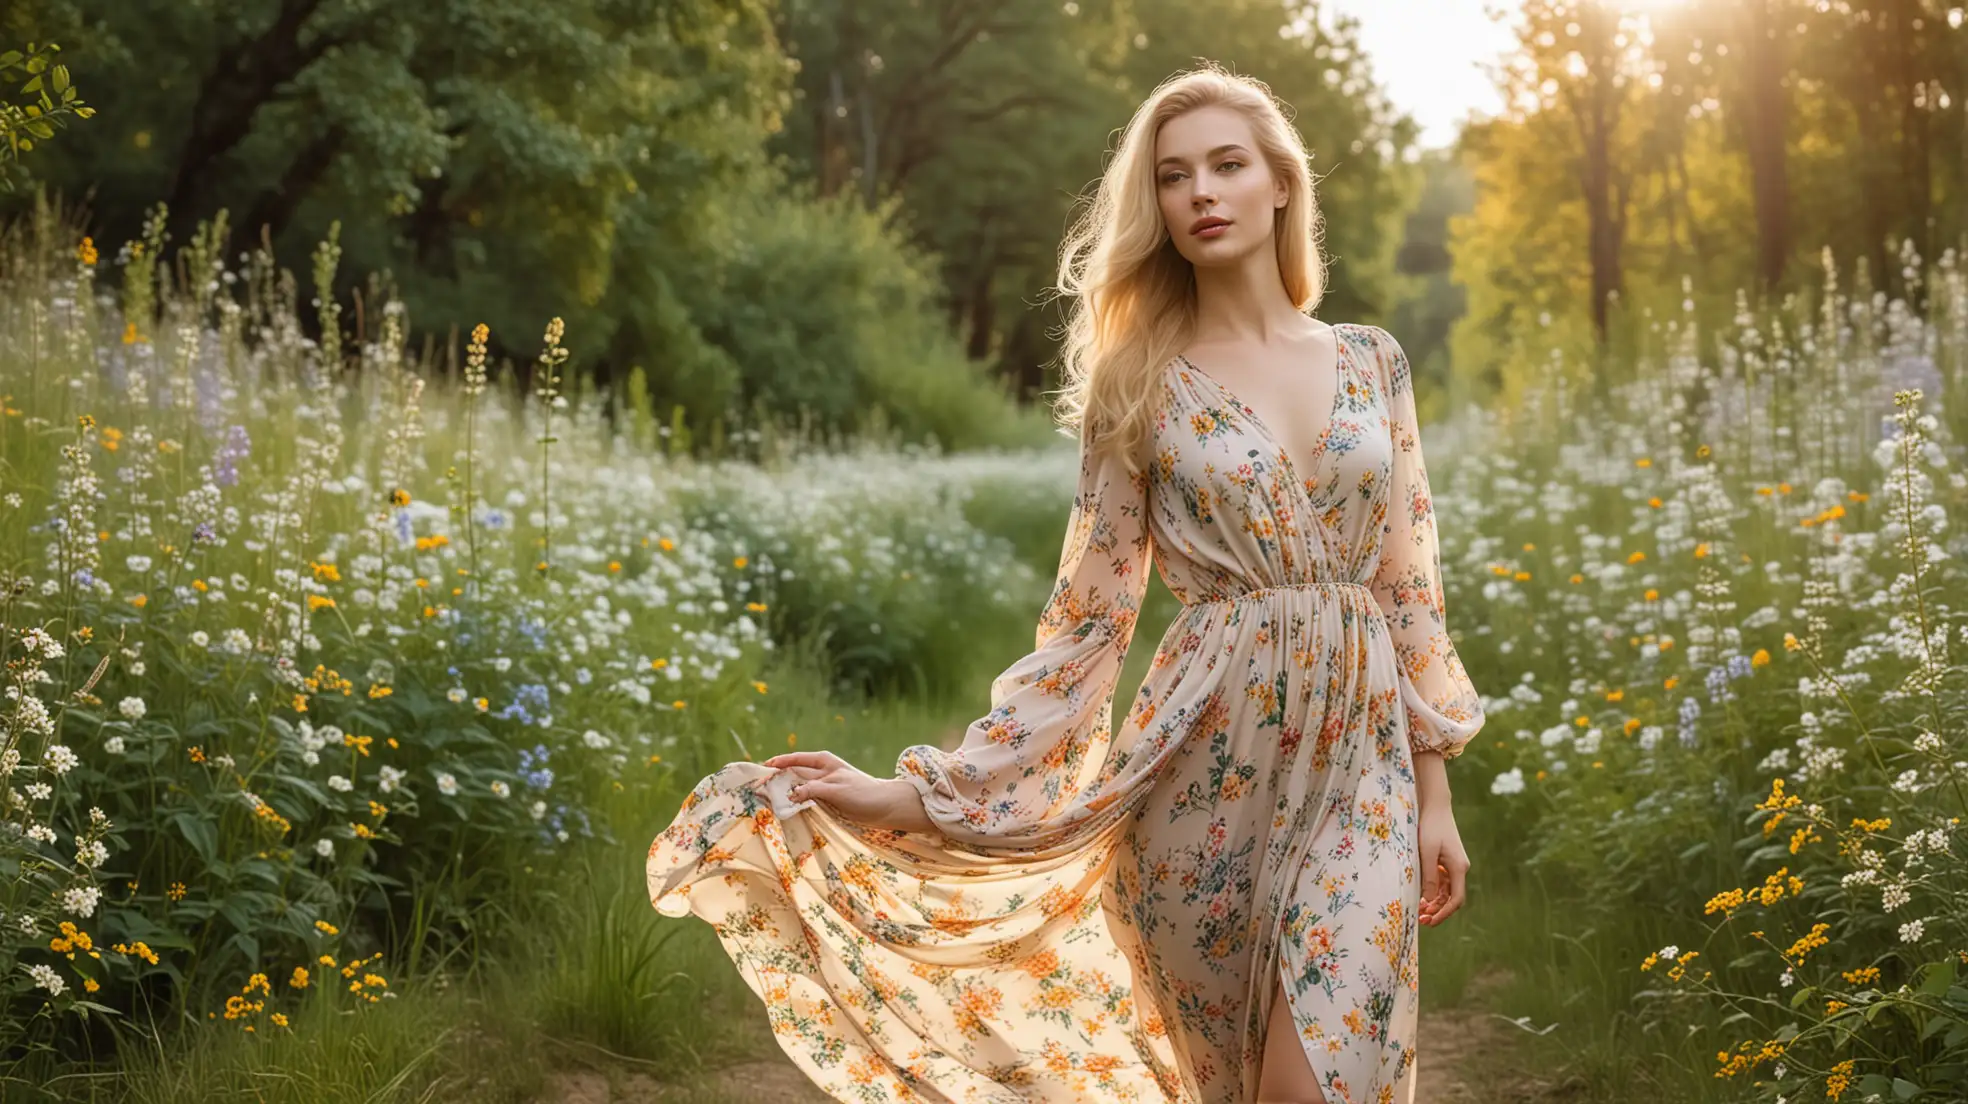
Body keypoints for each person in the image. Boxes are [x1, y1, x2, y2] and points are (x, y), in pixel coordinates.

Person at [647, 62, 1485, 1104]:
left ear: (1282, 184)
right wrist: (916, 794)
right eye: (1175, 177)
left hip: (1363, 771)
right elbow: (1087, 630)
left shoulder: (1374, 363)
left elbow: (1408, 587)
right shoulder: (1139, 384)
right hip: (1201, 780)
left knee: (1321, 1081)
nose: (1203, 194)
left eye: (1228, 165)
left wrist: (1434, 790)